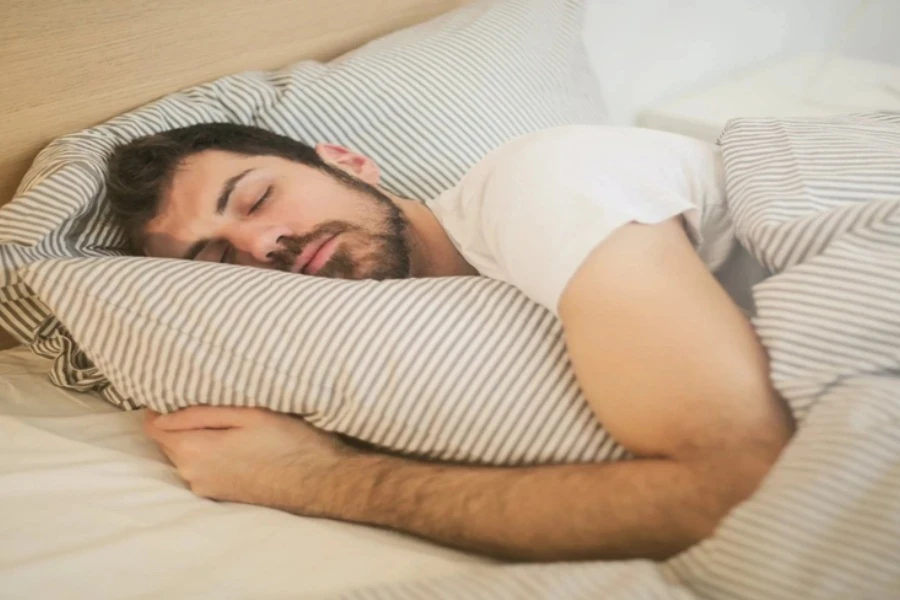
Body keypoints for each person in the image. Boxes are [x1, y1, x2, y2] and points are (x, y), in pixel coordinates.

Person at [106, 122, 794, 562]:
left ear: (348, 161)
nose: (262, 244)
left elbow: (735, 487)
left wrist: (317, 479)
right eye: (220, 262)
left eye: (256, 200)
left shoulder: (543, 185)